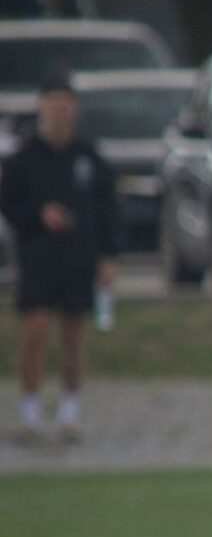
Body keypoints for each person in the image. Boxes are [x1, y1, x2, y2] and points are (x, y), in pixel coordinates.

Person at [0, 72, 118, 445]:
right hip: (38, 256)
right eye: (52, 104)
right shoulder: (24, 158)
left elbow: (107, 208)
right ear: (41, 108)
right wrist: (40, 215)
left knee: (73, 334)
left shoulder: (88, 157)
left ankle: (69, 410)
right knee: (36, 329)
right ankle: (30, 411)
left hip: (78, 257)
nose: (60, 112)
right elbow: (9, 205)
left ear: (74, 109)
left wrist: (108, 256)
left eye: (65, 104)